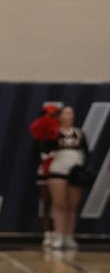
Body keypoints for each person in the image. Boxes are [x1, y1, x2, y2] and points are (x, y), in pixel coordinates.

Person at [42, 105, 89, 250]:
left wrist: (82, 169)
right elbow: (46, 150)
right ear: (60, 116)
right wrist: (50, 134)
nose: (70, 116)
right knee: (58, 205)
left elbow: (86, 153)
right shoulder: (54, 133)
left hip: (74, 173)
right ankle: (58, 235)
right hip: (57, 171)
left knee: (71, 206)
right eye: (67, 113)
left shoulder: (79, 134)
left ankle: (69, 236)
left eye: (71, 113)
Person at [30, 104, 60, 247]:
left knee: (59, 204)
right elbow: (36, 153)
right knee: (46, 203)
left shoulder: (62, 134)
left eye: (53, 115)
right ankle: (47, 234)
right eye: (48, 115)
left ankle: (58, 234)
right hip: (44, 171)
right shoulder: (39, 135)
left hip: (59, 171)